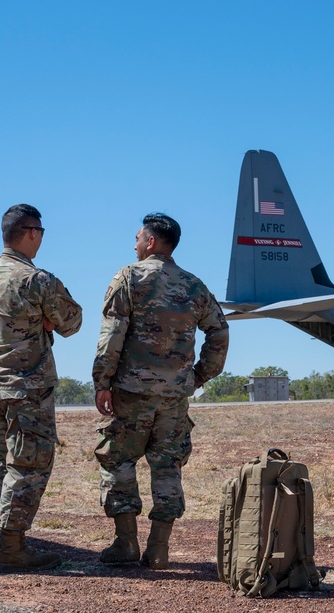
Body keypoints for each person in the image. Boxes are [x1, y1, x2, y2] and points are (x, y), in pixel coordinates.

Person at [92, 213, 229, 570]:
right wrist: (198, 376)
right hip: (174, 397)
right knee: (168, 466)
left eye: (137, 237)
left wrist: (102, 381)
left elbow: (112, 335)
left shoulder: (129, 277)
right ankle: (159, 550)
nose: (134, 243)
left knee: (118, 460)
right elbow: (220, 331)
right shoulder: (193, 285)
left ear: (151, 242)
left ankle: (126, 544)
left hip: (131, 392)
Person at [0, 204, 82, 573]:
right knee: (30, 465)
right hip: (28, 388)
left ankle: (5, 538)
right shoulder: (36, 280)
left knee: (8, 462)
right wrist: (48, 320)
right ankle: (12, 547)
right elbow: (72, 323)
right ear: (31, 232)